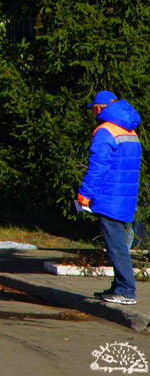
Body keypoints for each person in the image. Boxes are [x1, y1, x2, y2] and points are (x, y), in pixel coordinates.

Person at [77, 89, 142, 305]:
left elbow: (98, 166)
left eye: (93, 109)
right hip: (125, 196)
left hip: (108, 196)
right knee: (119, 242)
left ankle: (126, 290)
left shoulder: (104, 131)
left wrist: (85, 194)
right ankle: (119, 286)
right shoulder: (130, 130)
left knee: (116, 246)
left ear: (98, 108)